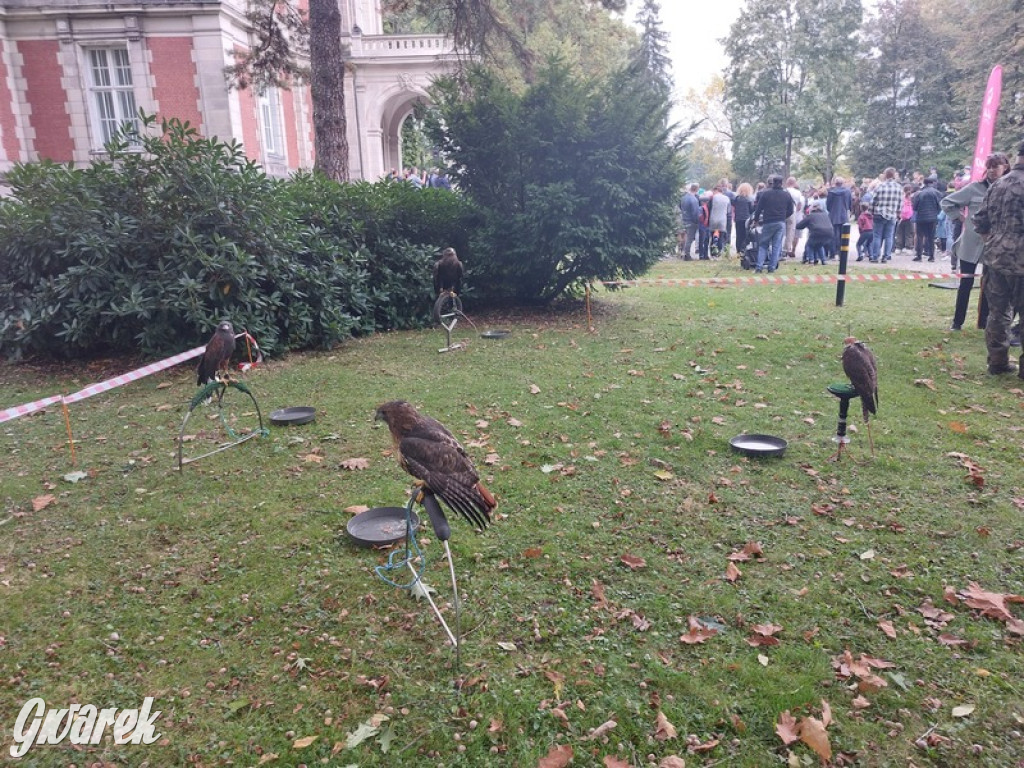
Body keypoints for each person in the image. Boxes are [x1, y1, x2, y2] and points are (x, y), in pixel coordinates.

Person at [941, 153, 1010, 331]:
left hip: (994, 245)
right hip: (970, 244)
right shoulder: (974, 189)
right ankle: (957, 322)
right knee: (966, 283)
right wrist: (961, 218)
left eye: (996, 166)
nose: (992, 170)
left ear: (1005, 168)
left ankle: (983, 322)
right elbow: (947, 202)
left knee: (990, 286)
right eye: (990, 166)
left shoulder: (1009, 189)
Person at [972, 142, 1024, 376]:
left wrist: (993, 241)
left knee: (998, 313)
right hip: (1020, 261)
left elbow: (980, 220)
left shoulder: (998, 184)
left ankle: (997, 362)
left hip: (995, 257)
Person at [752, 175, 795, 273]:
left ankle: (759, 267)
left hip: (768, 221)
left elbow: (758, 209)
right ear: (782, 183)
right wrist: (783, 216)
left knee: (763, 245)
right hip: (780, 222)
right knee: (776, 246)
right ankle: (772, 267)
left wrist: (756, 220)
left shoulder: (766, 194)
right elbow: (791, 210)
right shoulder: (786, 195)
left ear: (772, 183)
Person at [870, 168, 903, 262]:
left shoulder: (880, 186)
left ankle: (875, 256)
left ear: (885, 175)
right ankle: (886, 256)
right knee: (889, 236)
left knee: (877, 236)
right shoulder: (898, 187)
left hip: (879, 213)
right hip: (892, 214)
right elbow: (901, 203)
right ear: (893, 175)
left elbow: (873, 201)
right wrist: (898, 213)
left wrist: (871, 211)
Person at [911, 176, 943, 261]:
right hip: (932, 217)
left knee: (919, 236)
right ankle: (931, 256)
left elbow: (914, 207)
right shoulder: (937, 193)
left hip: (921, 217)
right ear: (932, 183)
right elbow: (940, 206)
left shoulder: (919, 193)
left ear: (924, 183)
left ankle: (919, 256)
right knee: (931, 237)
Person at [796, 199, 833, 265]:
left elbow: (800, 226)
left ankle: (811, 260)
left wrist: (795, 225)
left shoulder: (811, 216)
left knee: (810, 245)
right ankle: (823, 260)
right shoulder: (825, 214)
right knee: (819, 245)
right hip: (829, 232)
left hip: (817, 231)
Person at [826, 176, 853, 259]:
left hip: (833, 215)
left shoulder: (831, 192)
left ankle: (833, 253)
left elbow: (828, 205)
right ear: (842, 183)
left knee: (833, 235)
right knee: (843, 235)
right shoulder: (847, 192)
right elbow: (849, 203)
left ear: (835, 183)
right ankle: (842, 254)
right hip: (843, 215)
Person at [784, 177, 804, 260]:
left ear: (787, 182)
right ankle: (787, 249)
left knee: (781, 232)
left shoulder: (784, 191)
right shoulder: (798, 192)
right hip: (792, 213)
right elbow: (799, 206)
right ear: (794, 183)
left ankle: (779, 248)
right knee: (790, 232)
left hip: (782, 213)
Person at [708, 185, 732, 258]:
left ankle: (713, 253)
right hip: (722, 220)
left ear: (716, 190)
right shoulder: (727, 199)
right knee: (721, 237)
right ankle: (719, 253)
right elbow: (728, 211)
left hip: (713, 219)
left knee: (713, 236)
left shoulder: (713, 198)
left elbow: (709, 208)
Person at [678, 184, 700, 259]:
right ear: (697, 189)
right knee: (689, 239)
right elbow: (695, 212)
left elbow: (680, 207)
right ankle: (687, 255)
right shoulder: (694, 199)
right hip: (691, 221)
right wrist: (696, 221)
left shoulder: (683, 198)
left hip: (684, 219)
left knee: (683, 236)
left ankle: (681, 251)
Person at [733, 182, 755, 256]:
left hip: (738, 219)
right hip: (746, 220)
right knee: (746, 236)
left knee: (739, 236)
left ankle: (738, 251)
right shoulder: (749, 199)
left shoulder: (737, 198)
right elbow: (751, 210)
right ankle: (744, 250)